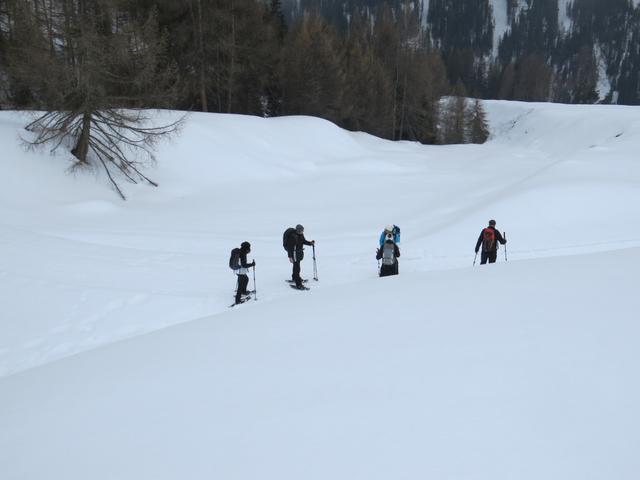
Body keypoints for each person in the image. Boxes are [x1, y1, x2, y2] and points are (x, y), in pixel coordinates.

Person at [285, 224, 315, 289]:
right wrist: (290, 257)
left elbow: (303, 241)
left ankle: (294, 278)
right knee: (297, 268)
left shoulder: (300, 235)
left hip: (299, 253)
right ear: (298, 230)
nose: (303, 232)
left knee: (296, 266)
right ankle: (298, 283)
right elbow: (290, 248)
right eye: (302, 230)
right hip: (294, 254)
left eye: (303, 230)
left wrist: (310, 243)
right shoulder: (293, 237)